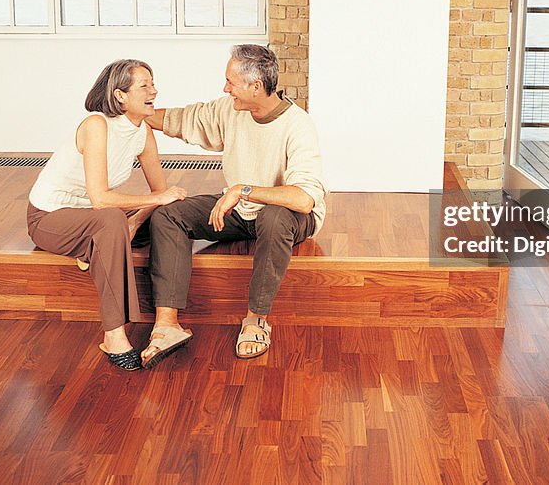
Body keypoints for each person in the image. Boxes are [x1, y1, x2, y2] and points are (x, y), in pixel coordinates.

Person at [144, 44, 328, 360]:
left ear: (256, 87)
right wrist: (137, 111)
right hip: (241, 210)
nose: (225, 88)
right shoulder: (230, 110)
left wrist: (242, 190)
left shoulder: (298, 125)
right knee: (169, 215)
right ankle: (167, 324)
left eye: (231, 82)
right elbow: (183, 119)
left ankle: (256, 320)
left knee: (273, 217)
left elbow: (304, 198)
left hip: (288, 217)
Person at [26, 59, 189, 371]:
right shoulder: (96, 126)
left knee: (165, 215)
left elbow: (160, 196)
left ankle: (92, 248)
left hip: (94, 220)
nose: (154, 91)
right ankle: (114, 335)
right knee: (113, 217)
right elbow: (101, 199)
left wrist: (137, 220)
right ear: (120, 96)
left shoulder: (143, 133)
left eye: (153, 83)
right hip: (49, 218)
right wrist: (148, 204)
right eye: (144, 86)